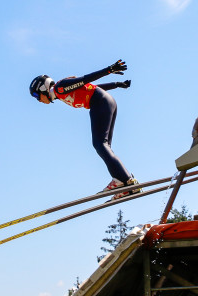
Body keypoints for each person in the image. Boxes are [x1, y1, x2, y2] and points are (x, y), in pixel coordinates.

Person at [29, 59, 140, 199]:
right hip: (106, 101)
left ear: (43, 89)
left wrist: (109, 70)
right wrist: (116, 85)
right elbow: (91, 87)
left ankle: (125, 181)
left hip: (99, 102)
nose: (38, 100)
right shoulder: (60, 93)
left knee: (99, 145)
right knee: (104, 146)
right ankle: (122, 181)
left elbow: (84, 79)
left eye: (36, 95)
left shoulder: (59, 88)